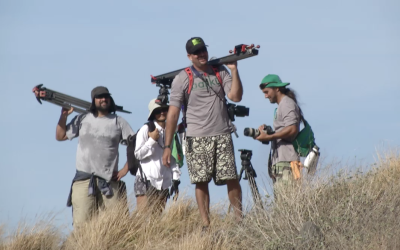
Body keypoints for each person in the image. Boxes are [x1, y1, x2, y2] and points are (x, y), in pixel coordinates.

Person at [162, 37, 243, 229]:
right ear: (189, 56)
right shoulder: (182, 78)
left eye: (203, 50)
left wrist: (234, 70)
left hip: (222, 133)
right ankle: (206, 224)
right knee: (201, 181)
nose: (202, 54)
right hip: (196, 137)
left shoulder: (219, 71)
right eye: (197, 52)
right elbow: (172, 114)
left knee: (231, 177)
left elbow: (235, 96)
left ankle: (239, 221)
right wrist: (167, 146)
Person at [56, 86, 134, 227]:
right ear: (94, 101)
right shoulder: (83, 118)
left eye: (106, 96)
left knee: (115, 227)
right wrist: (64, 116)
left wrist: (125, 169)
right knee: (82, 226)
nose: (103, 99)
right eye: (99, 97)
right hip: (83, 180)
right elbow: (60, 136)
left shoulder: (118, 121)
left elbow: (135, 145)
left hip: (109, 182)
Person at [254, 74, 303, 193]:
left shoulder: (286, 103)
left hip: (288, 161)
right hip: (282, 162)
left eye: (266, 92)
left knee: (289, 203)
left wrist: (270, 136)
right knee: (283, 204)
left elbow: (292, 129)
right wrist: (268, 132)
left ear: (277, 88)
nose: (265, 96)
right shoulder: (282, 105)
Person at [134, 99, 181, 213]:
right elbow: (138, 154)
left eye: (165, 110)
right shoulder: (146, 129)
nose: (162, 113)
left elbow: (174, 157)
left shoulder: (172, 131)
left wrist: (176, 179)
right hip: (145, 178)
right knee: (143, 218)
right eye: (158, 110)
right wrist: (151, 140)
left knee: (156, 220)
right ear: (152, 113)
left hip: (164, 182)